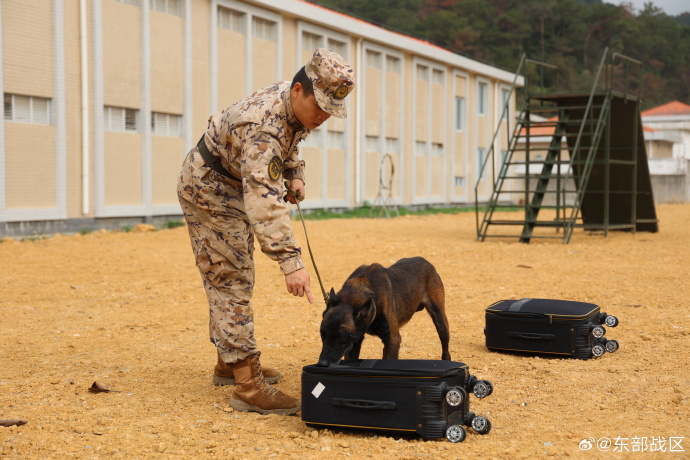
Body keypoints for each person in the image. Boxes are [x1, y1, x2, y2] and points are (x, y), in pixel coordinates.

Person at [177, 48, 355, 415]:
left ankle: (230, 361)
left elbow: (289, 139)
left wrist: (295, 174)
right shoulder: (263, 127)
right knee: (230, 276)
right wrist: (291, 261)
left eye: (329, 111)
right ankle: (246, 384)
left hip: (230, 180)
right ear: (298, 91)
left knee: (232, 272)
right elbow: (264, 201)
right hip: (210, 188)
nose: (322, 117)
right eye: (319, 106)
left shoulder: (290, 106)